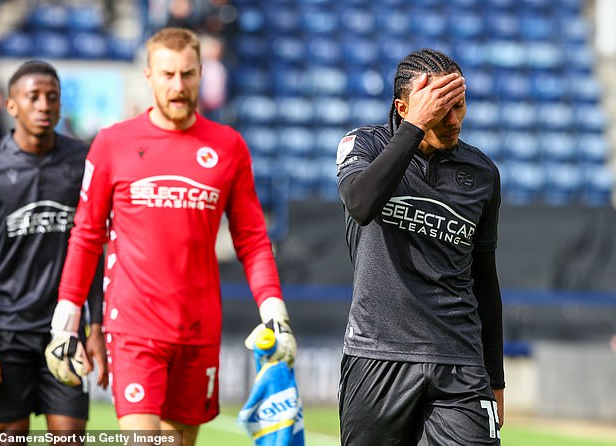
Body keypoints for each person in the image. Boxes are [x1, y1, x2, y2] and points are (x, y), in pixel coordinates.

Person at [44, 27, 296, 446]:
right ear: (149, 76)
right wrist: (65, 320)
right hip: (134, 325)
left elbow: (251, 239)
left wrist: (274, 310)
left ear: (201, 74)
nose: (178, 86)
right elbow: (86, 235)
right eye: (167, 75)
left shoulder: (229, 147)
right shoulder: (112, 144)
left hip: (199, 327)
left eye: (187, 74)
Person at [336, 48, 505, 445]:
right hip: (377, 355)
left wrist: (495, 376)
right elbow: (361, 204)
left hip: (460, 363)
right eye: (439, 107)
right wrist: (413, 128)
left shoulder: (482, 174)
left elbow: (485, 280)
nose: (453, 119)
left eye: (459, 106)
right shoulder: (364, 145)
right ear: (403, 107)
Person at [0, 60, 107, 441]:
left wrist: (96, 326)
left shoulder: (83, 163)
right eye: (32, 97)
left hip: (64, 332)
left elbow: (97, 253)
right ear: (11, 105)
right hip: (6, 337)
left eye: (52, 97)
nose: (43, 105)